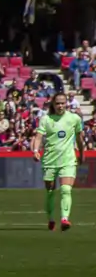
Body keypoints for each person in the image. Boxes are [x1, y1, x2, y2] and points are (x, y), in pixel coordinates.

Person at [32, 92, 83, 231]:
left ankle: (64, 219)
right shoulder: (46, 119)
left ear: (67, 103)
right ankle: (51, 219)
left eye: (62, 103)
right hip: (50, 160)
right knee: (50, 191)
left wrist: (81, 153)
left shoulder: (74, 118)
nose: (60, 105)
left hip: (68, 159)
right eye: (57, 103)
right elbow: (38, 137)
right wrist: (36, 151)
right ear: (53, 104)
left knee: (66, 189)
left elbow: (79, 139)